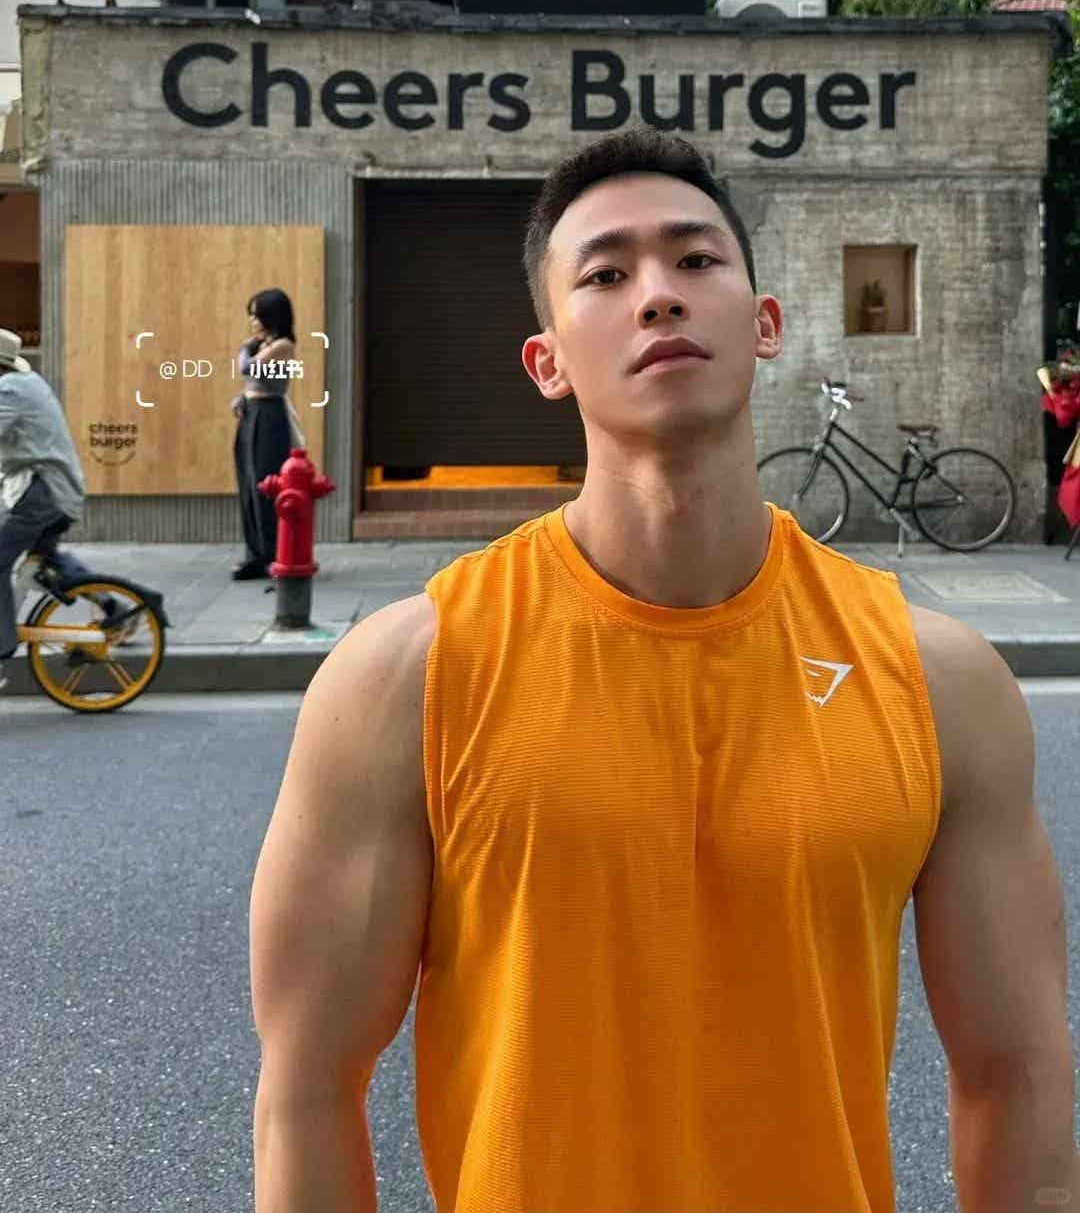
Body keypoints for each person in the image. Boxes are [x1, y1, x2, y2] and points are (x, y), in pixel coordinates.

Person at [248, 128, 1075, 1211]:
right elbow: (308, 1091)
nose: (658, 295)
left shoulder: (939, 682)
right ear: (547, 361)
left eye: (695, 259)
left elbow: (1018, 1075)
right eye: (605, 274)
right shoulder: (405, 678)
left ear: (765, 323)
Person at [0, 328, 102, 691]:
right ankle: (115, 607)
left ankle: (1, 648)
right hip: (53, 492)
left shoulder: (10, 390)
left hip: (44, 493)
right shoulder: (26, 384)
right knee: (44, 563)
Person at [232, 289, 299, 581]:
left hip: (269, 418)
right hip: (252, 414)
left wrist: (246, 346)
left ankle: (272, 554)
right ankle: (255, 553)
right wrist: (242, 399)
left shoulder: (283, 345)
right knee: (247, 485)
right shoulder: (264, 344)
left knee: (265, 485)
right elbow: (253, 380)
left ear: (272, 316)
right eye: (251, 314)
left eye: (257, 314)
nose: (253, 320)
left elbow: (248, 367)